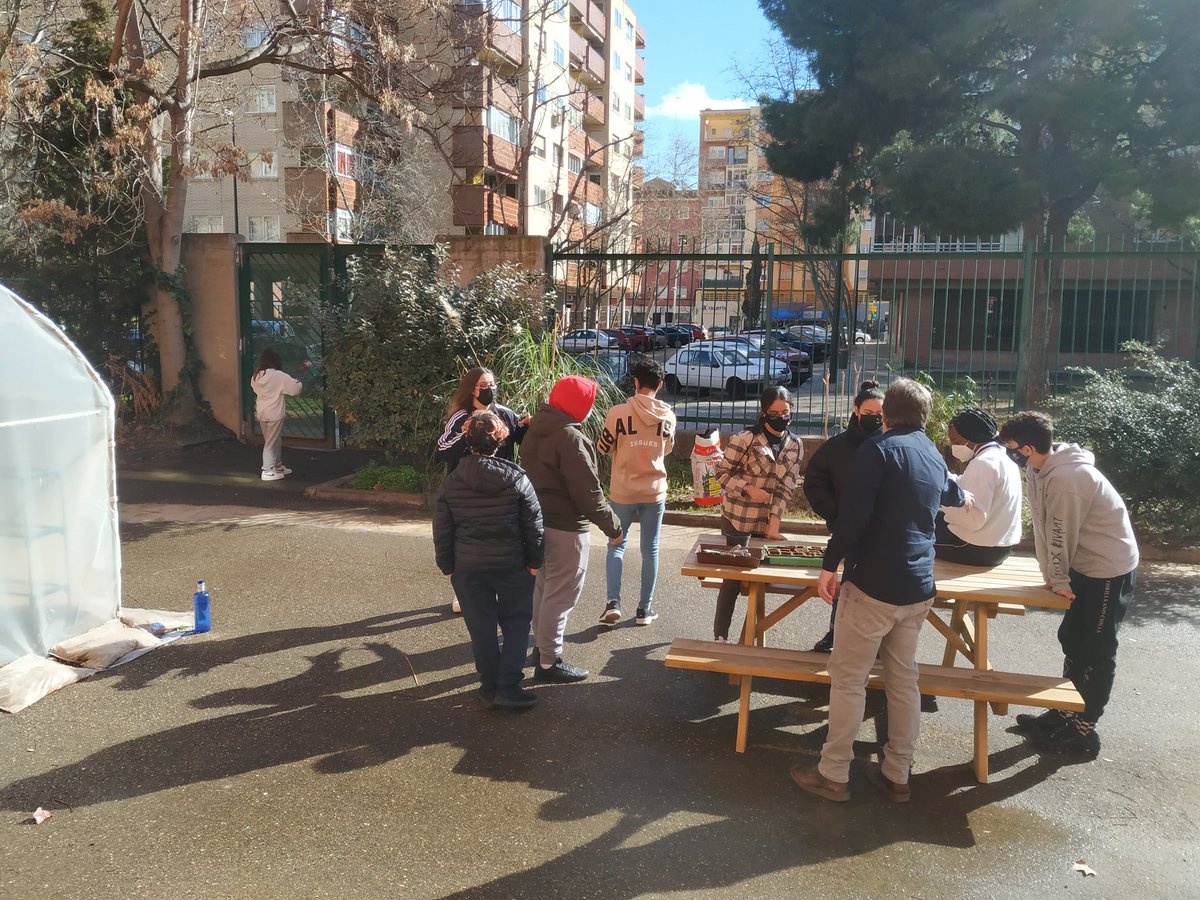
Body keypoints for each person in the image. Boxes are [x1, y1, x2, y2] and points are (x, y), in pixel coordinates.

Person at [791, 378, 969, 804]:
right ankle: (897, 773)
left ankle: (833, 773)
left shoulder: (878, 450)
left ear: (885, 414)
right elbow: (956, 496)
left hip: (872, 582)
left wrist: (828, 566)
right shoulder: (932, 453)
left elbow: (853, 518)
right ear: (926, 416)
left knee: (849, 680)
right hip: (918, 585)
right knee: (904, 678)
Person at [999, 411, 1138, 756]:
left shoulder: (1068, 478)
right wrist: (1053, 576)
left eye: (1013, 448)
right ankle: (1065, 710)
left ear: (1029, 447)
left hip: (1106, 569)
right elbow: (1045, 527)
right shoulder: (1038, 468)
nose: (1010, 454)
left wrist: (1059, 576)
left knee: (1097, 649)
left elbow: (1061, 533)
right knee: (1073, 638)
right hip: (1081, 566)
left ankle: (1085, 729)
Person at [433, 412, 544, 710]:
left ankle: (488, 685)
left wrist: (448, 566)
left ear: (468, 441)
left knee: (481, 627)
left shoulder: (453, 482)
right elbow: (533, 525)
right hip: (512, 565)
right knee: (517, 623)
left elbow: (442, 529)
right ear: (500, 440)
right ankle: (509, 686)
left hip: (468, 569)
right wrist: (535, 561)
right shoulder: (517, 478)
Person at [521, 375, 622, 684]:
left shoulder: (534, 428)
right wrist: (613, 527)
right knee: (561, 596)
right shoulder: (570, 438)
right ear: (580, 405)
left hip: (537, 521)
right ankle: (549, 663)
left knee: (544, 589)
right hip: (566, 527)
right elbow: (588, 493)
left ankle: (542, 649)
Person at [711, 386, 805, 642]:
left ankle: (750, 637)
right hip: (737, 518)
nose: (781, 417)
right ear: (764, 413)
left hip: (765, 523)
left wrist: (774, 525)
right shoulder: (745, 439)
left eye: (785, 411)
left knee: (760, 579)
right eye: (774, 412)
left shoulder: (796, 445)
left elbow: (787, 486)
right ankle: (720, 635)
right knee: (732, 578)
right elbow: (721, 473)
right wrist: (748, 488)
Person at [436, 367, 529, 613]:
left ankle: (497, 590)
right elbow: (443, 450)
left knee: (499, 538)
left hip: (501, 489)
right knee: (463, 539)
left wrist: (530, 426)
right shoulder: (460, 417)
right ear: (471, 389)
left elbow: (524, 439)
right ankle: (461, 591)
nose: (490, 390)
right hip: (465, 489)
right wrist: (470, 429)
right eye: (483, 386)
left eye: (492, 384)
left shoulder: (506, 414)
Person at [802, 381, 885, 651]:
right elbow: (814, 481)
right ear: (856, 410)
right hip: (846, 531)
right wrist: (836, 514)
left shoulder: (891, 445)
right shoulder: (836, 447)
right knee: (844, 586)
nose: (875, 418)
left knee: (878, 591)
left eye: (880, 414)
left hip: (884, 533)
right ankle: (835, 633)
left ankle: (879, 643)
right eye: (869, 412)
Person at [596, 357, 676, 627]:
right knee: (650, 549)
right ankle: (645, 609)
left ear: (636, 382)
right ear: (661, 384)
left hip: (623, 490)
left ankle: (612, 603)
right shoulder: (668, 416)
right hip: (654, 491)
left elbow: (602, 447)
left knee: (616, 544)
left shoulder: (617, 413)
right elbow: (667, 449)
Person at [935, 408, 1022, 566]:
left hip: (975, 548)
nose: (954, 446)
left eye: (957, 442)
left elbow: (973, 520)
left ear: (972, 437)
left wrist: (940, 499)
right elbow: (966, 484)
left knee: (914, 531)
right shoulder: (1001, 457)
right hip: (1000, 547)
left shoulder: (983, 463)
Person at [251, 349, 303, 481]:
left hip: (262, 411)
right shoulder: (278, 375)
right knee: (271, 442)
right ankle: (267, 470)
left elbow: (254, 388)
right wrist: (299, 382)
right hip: (274, 412)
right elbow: (295, 389)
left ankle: (277, 466)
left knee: (273, 440)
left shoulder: (257, 375)